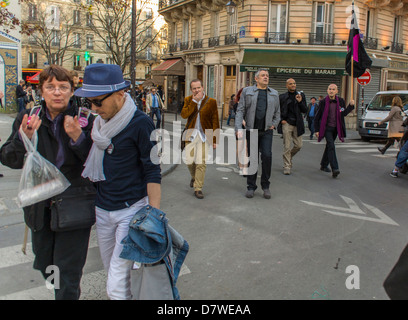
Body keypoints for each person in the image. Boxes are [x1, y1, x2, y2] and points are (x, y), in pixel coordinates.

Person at [0, 65, 96, 299]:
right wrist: (25, 137)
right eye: (50, 87)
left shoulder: (85, 120)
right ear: (41, 91)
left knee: (68, 273)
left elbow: (99, 165)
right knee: (46, 264)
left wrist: (78, 138)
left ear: (72, 91)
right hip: (40, 207)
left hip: (74, 206)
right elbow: (8, 158)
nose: (57, 92)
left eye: (63, 87)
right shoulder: (29, 119)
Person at [74, 63, 161, 300]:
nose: (93, 108)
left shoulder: (142, 123)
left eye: (98, 102)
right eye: (88, 102)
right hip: (103, 210)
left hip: (131, 211)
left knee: (115, 285)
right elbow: (92, 163)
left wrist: (154, 215)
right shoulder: (98, 124)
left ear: (120, 94)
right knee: (117, 274)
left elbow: (153, 169)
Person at [235, 68, 280, 199]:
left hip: (266, 131)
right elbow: (240, 111)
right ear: (256, 78)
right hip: (252, 130)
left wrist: (274, 124)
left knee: (267, 156)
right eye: (263, 75)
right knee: (253, 159)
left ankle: (265, 186)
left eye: (267, 75)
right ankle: (251, 187)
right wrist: (238, 128)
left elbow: (278, 113)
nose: (266, 77)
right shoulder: (247, 91)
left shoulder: (274, 93)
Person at [181, 79, 219, 199]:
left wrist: (215, 140)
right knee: (189, 161)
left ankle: (198, 188)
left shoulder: (211, 102)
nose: (197, 90)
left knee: (201, 162)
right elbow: (184, 115)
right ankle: (194, 177)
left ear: (203, 88)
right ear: (191, 90)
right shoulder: (188, 100)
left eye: (198, 88)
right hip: (190, 134)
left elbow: (215, 121)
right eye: (194, 88)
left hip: (204, 136)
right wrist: (194, 102)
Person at [314, 84, 355, 178]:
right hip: (326, 128)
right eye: (330, 89)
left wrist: (350, 106)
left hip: (336, 128)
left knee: (329, 146)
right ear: (327, 90)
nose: (331, 91)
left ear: (337, 91)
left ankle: (323, 165)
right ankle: (335, 169)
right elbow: (317, 116)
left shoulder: (340, 101)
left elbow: (343, 113)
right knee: (331, 146)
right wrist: (317, 130)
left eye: (333, 89)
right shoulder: (323, 102)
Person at [278, 78, 307, 175]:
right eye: (291, 84)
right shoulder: (282, 97)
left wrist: (300, 101)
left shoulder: (300, 95)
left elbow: (305, 110)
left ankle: (288, 157)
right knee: (287, 145)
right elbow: (278, 110)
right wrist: (281, 120)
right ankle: (287, 165)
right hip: (287, 123)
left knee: (299, 145)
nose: (293, 85)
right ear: (287, 85)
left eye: (294, 83)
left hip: (298, 124)